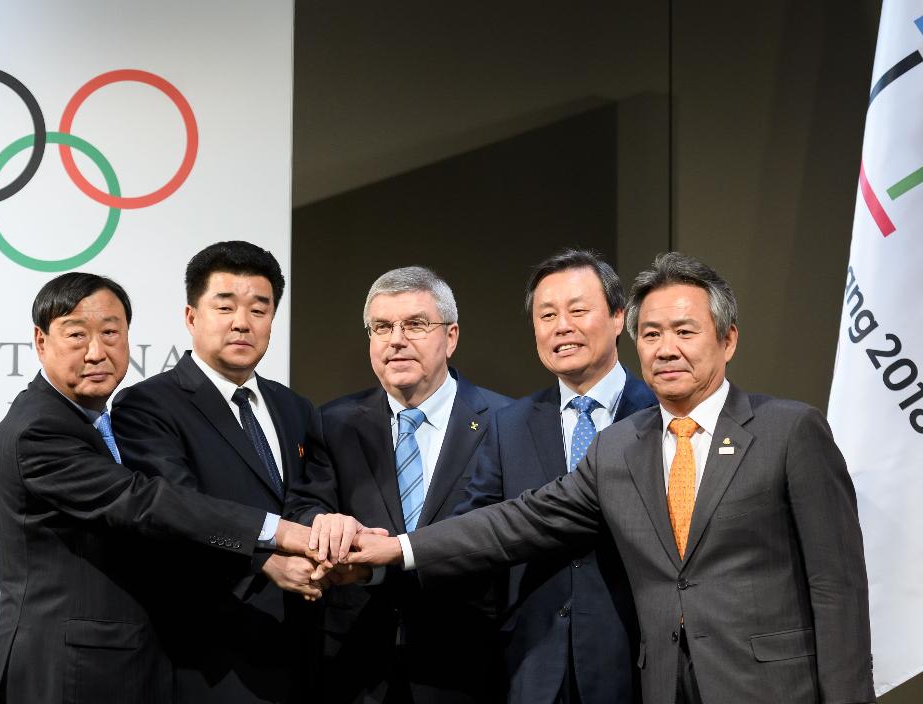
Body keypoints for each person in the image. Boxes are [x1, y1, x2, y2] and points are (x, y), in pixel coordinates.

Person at [343, 253, 875, 704]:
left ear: (728, 339)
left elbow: (836, 587)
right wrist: (397, 548)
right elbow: (516, 521)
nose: (666, 348)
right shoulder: (621, 447)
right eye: (653, 334)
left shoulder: (790, 430)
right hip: (659, 683)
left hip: (766, 685)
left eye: (684, 331)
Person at [0, 272, 317, 704]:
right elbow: (142, 503)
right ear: (41, 341)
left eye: (110, 333)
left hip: (123, 664)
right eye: (76, 335)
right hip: (68, 671)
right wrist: (277, 534)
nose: (96, 352)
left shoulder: (94, 420)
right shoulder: (40, 430)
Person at [287, 266, 513, 703]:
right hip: (356, 662)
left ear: (451, 337)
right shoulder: (332, 421)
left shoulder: (504, 421)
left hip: (467, 661)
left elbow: (508, 534)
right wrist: (328, 524)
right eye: (382, 327)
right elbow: (303, 507)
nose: (396, 340)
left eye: (415, 325)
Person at [110, 241, 323, 703]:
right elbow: (176, 512)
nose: (242, 322)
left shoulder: (296, 407)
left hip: (301, 645)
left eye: (259, 309)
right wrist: (263, 560)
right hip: (207, 652)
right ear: (191, 317)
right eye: (224, 306)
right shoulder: (148, 404)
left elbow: (309, 496)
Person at [456, 249, 653, 704]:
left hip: (637, 661)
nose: (561, 326)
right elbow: (479, 530)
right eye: (547, 315)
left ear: (619, 317)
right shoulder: (509, 424)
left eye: (578, 310)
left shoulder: (659, 413)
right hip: (532, 664)